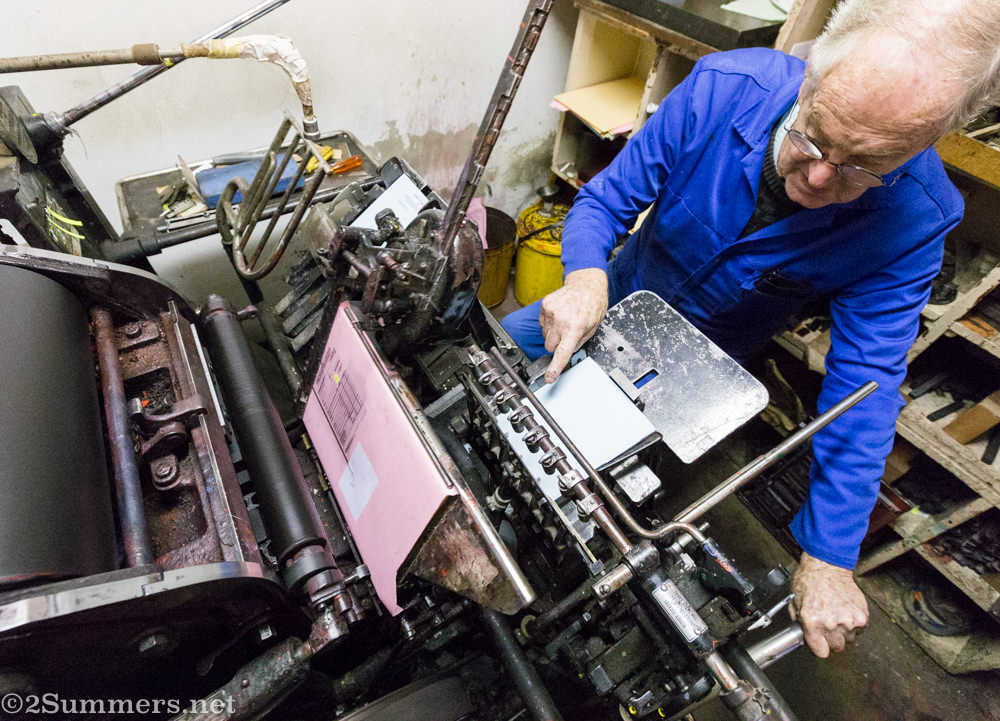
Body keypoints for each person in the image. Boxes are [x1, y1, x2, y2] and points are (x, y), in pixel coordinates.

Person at [501, 0, 1000, 658]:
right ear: (812, 72)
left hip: (695, 377)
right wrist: (586, 276)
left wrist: (829, 553)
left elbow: (865, 388)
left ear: (925, 143)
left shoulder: (914, 219)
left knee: (584, 515)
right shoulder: (725, 87)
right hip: (608, 301)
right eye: (815, 135)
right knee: (471, 379)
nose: (818, 177)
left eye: (862, 165)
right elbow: (604, 200)